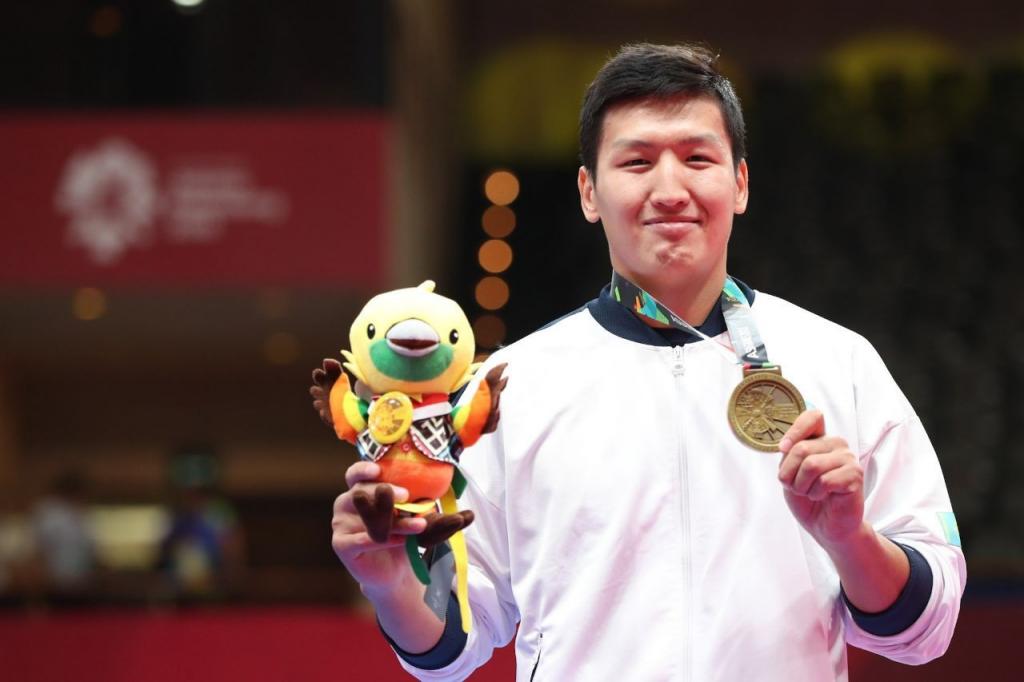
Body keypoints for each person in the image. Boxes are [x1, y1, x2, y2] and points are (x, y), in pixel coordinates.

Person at [328, 43, 965, 680]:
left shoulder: (838, 362)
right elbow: (452, 644)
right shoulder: (510, 389)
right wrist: (391, 585)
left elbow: (927, 626)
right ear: (589, 192)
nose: (669, 189)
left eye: (697, 158)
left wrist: (850, 540)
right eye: (636, 161)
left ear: (740, 183)